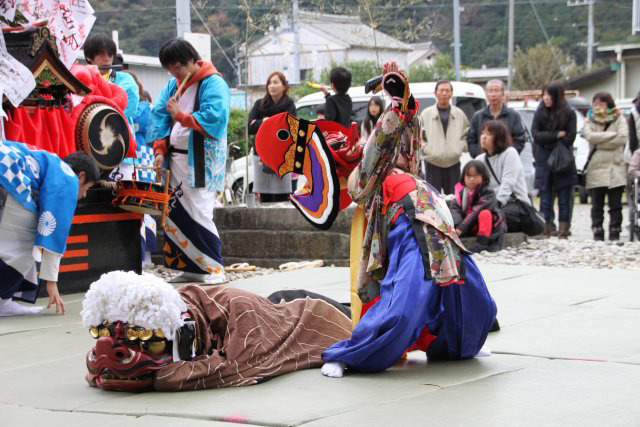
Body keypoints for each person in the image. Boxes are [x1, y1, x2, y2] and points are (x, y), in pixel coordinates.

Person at [320, 62, 496, 378]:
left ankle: (462, 343)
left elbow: (408, 142)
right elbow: (377, 148)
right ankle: (352, 355)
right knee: (406, 302)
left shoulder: (388, 165)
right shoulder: (360, 179)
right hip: (410, 220)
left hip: (434, 214)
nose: (349, 146)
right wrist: (397, 105)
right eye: (339, 148)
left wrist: (405, 104)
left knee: (469, 293)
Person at [150, 38, 230, 284]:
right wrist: (159, 150)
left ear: (192, 61)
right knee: (175, 212)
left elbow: (215, 118)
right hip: (176, 158)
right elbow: (159, 116)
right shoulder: (173, 85)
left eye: (178, 67)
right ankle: (189, 267)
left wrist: (181, 116)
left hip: (201, 160)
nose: (175, 73)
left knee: (199, 210)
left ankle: (214, 268)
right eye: (170, 69)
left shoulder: (213, 83)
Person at [0, 141, 98, 316]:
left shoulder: (48, 161)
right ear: (81, 176)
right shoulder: (68, 177)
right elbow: (54, 230)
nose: (83, 195)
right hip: (8, 176)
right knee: (30, 245)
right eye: (87, 188)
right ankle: (3, 300)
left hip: (6, 170)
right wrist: (51, 281)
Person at [531, 82, 577, 239]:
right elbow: (536, 134)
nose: (546, 98)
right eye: (544, 95)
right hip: (543, 159)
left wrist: (548, 138)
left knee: (564, 197)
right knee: (545, 197)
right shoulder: (540, 111)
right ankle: (547, 227)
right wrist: (556, 135)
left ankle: (564, 229)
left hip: (563, 160)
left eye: (549, 95)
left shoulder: (568, 112)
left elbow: (570, 137)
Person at [582, 92, 628, 241]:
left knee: (615, 205)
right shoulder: (589, 118)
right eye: (595, 104)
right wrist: (611, 135)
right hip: (596, 166)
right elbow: (589, 136)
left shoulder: (619, 118)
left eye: (601, 104)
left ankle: (615, 231)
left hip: (616, 166)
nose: (598, 107)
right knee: (597, 205)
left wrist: (600, 140)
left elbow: (622, 138)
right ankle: (597, 231)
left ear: (609, 104)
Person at [248, 71, 297, 203]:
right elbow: (249, 127)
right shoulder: (260, 104)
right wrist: (264, 122)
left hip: (282, 157)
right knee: (264, 197)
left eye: (275, 82)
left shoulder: (289, 105)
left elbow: (292, 130)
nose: (271, 86)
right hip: (261, 155)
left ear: (284, 86)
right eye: (269, 83)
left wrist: (268, 124)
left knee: (282, 197)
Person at [475, 121, 532, 230]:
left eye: (489, 134)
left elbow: (508, 183)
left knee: (497, 217)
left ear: (499, 137)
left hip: (514, 202)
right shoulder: (480, 159)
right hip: (491, 203)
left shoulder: (510, 153)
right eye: (482, 133)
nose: (484, 137)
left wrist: (495, 205)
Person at [420, 80, 469, 194]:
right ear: (435, 93)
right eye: (441, 90)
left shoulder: (459, 114)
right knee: (433, 199)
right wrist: (426, 149)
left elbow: (467, 133)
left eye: (447, 90)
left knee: (454, 198)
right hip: (432, 163)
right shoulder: (426, 114)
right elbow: (419, 137)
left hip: (453, 163)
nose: (444, 93)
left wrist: (460, 147)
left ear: (452, 93)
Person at [450, 160, 506, 253]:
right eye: (468, 176)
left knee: (485, 213)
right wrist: (457, 225)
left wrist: (462, 228)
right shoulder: (461, 192)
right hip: (469, 226)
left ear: (483, 177)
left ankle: (481, 243)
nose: (471, 179)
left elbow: (476, 210)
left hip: (488, 229)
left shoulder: (488, 192)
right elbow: (455, 209)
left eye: (475, 176)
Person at [83, 33, 139, 127]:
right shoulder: (83, 80)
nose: (107, 59)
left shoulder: (126, 79)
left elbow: (128, 108)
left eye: (110, 54)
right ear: (89, 57)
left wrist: (98, 78)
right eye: (101, 54)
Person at [467, 79, 525, 158]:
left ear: (503, 94)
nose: (493, 94)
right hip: (483, 162)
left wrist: (508, 156)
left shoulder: (513, 116)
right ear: (486, 95)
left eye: (496, 91)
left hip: (506, 162)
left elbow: (519, 140)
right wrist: (480, 156)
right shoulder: (478, 116)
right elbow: (471, 140)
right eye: (490, 91)